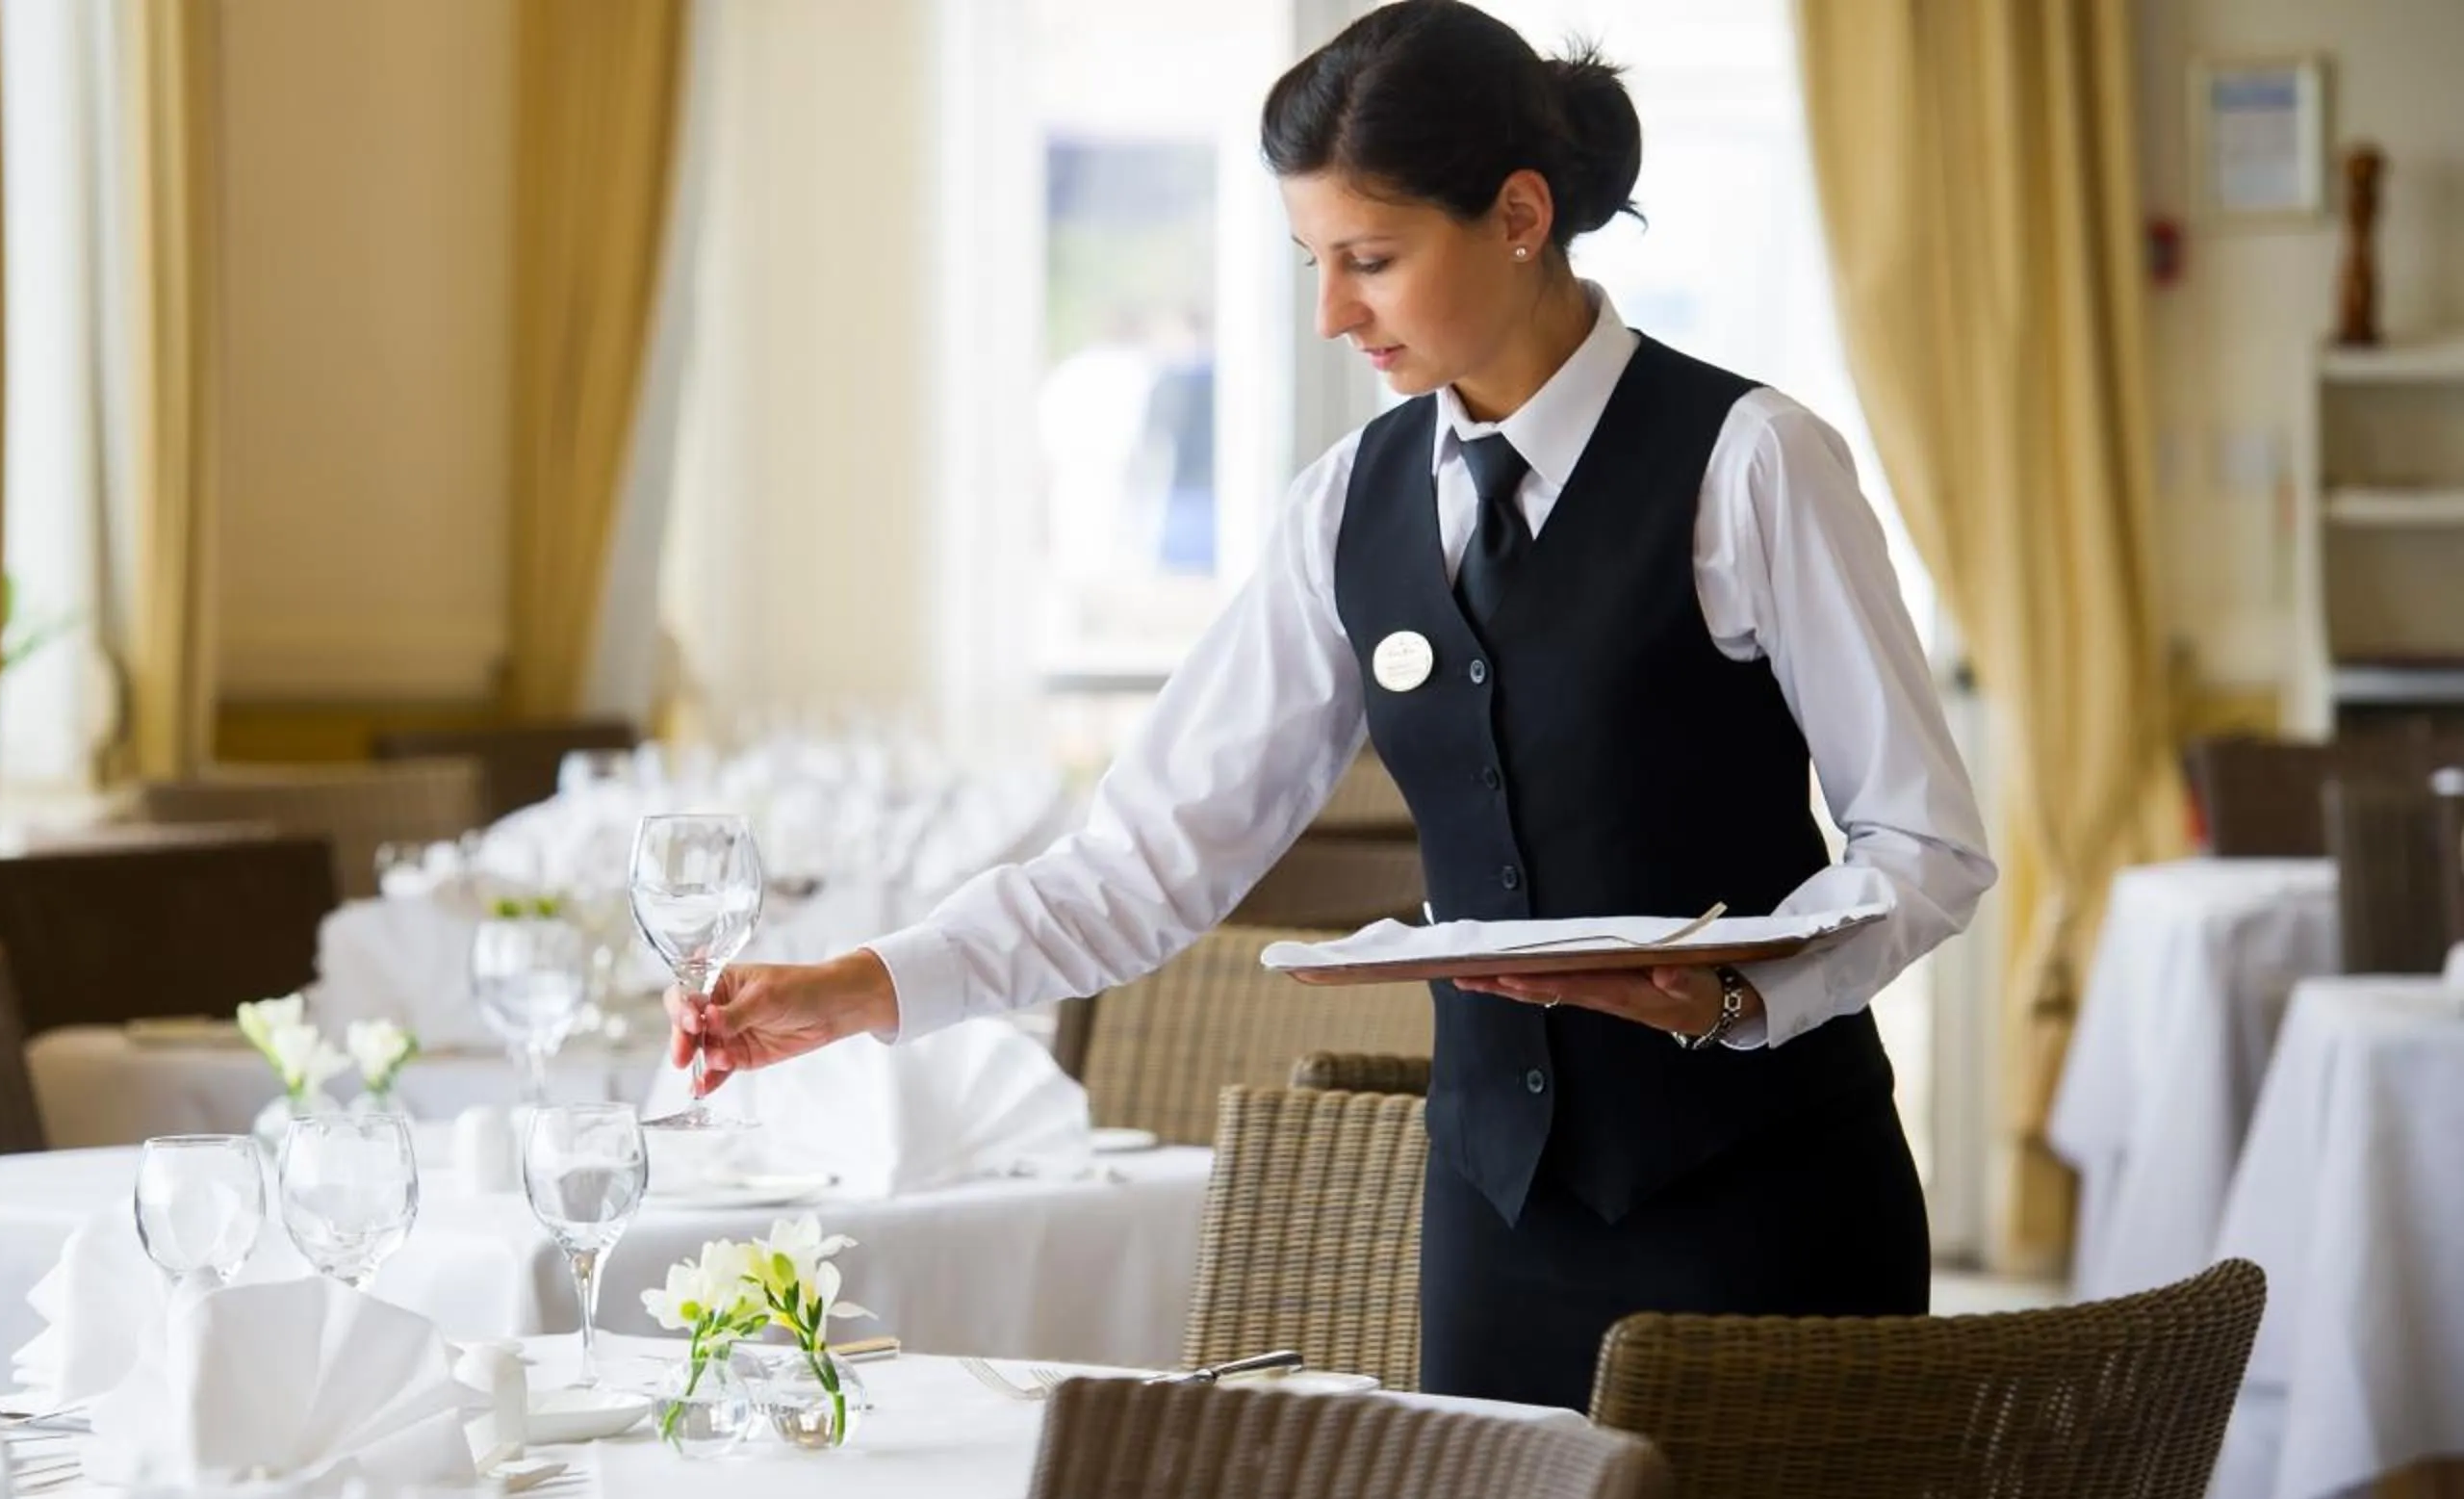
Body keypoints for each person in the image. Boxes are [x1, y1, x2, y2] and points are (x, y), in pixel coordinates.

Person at [665, 0, 1994, 1410]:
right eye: (1313, 261)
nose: (1331, 312)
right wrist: (856, 989)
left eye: (1371, 260)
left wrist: (1737, 997)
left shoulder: (1753, 463)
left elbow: (1927, 851)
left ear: (1521, 214)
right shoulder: (1345, 509)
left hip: (1763, 1201)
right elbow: (1143, 865)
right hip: (1498, 1224)